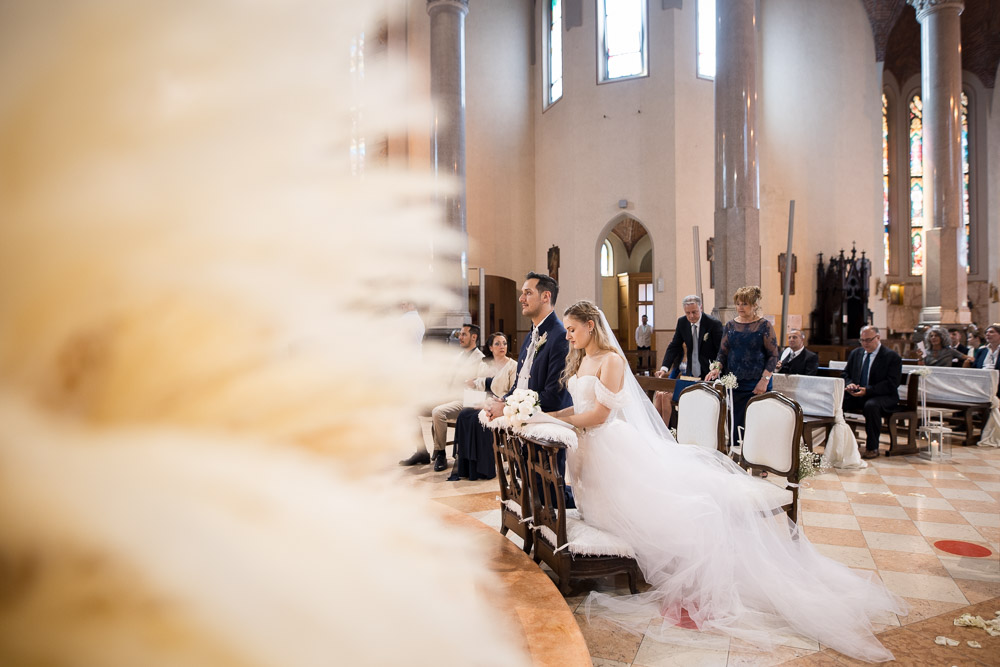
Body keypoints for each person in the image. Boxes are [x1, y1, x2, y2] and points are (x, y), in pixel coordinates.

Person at [545, 300, 905, 663]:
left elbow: (600, 413)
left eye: (573, 329)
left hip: (609, 444)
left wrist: (558, 423)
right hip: (588, 449)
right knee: (605, 509)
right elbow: (577, 408)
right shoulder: (580, 360)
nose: (569, 336)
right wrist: (545, 414)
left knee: (647, 513)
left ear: (592, 325)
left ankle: (638, 558)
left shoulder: (611, 360)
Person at [400, 323, 484, 470]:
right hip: (446, 397)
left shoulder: (480, 359)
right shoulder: (458, 356)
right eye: (460, 334)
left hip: (464, 400)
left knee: (438, 412)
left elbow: (482, 386)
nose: (460, 337)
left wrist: (473, 385)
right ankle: (421, 452)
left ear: (474, 337)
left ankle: (441, 454)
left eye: (464, 334)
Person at [704, 286, 778, 440]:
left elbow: (773, 356)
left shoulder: (764, 326)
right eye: (738, 304)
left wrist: (764, 381)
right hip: (735, 384)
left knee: (755, 426)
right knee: (735, 427)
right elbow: (722, 353)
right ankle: (735, 459)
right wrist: (716, 369)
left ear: (754, 305)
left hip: (757, 384)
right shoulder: (730, 326)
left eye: (744, 304)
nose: (740, 307)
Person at [447, 332, 517, 481]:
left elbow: (513, 390)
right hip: (482, 400)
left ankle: (483, 469)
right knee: (464, 416)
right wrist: (476, 391)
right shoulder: (485, 364)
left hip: (500, 403)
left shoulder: (512, 365)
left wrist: (494, 400)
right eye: (497, 343)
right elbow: (478, 384)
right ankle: (466, 467)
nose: (502, 346)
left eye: (504, 343)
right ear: (490, 347)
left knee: (478, 421)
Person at [653, 295, 723, 426]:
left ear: (701, 308)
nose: (691, 316)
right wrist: (664, 368)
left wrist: (717, 368)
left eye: (694, 312)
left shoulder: (713, 324)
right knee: (664, 394)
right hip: (691, 374)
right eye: (687, 313)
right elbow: (674, 346)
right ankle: (667, 432)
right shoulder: (682, 323)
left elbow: (721, 350)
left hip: (708, 374)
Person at [841, 326, 902, 459]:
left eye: (868, 340)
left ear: (878, 338)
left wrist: (868, 391)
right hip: (859, 393)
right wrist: (849, 383)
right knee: (838, 402)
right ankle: (842, 442)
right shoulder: (856, 353)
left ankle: (872, 447)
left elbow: (892, 383)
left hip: (883, 396)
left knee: (871, 406)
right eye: (862, 340)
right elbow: (846, 373)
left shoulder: (891, 356)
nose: (865, 344)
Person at [974, 324, 1000, 398]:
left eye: (991, 332)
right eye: (986, 332)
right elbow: (975, 368)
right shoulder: (982, 350)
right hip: (981, 384)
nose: (988, 334)